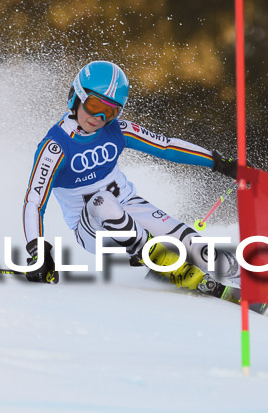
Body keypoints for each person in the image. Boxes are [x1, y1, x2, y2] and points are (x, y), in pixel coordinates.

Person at [22, 60, 242, 293]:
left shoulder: (118, 130)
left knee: (193, 244)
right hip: (91, 229)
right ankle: (154, 257)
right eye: (94, 104)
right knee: (102, 200)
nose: (98, 117)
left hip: (130, 208)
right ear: (75, 97)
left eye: (109, 111)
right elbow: (34, 203)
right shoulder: (55, 147)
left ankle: (248, 278)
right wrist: (38, 252)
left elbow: (166, 147)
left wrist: (219, 163)